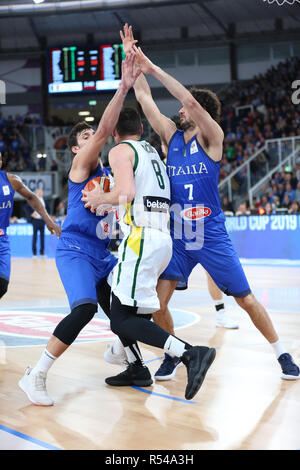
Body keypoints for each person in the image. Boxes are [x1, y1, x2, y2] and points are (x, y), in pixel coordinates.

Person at [115, 24, 299, 382]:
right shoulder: (172, 138)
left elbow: (192, 103)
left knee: (246, 300)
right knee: (159, 303)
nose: (179, 113)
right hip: (179, 237)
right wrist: (131, 59)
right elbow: (145, 99)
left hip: (211, 232)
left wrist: (153, 68)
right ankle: (172, 353)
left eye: (184, 111)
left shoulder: (212, 137)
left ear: (199, 115)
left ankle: (282, 353)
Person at [18, 52, 146, 406]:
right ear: (77, 148)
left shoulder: (109, 175)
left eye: (93, 134)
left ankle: (133, 361)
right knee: (85, 309)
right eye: (86, 136)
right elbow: (106, 130)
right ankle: (36, 374)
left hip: (103, 252)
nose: (95, 138)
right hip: (75, 248)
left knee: (125, 305)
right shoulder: (80, 166)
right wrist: (123, 87)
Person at [82, 106, 216, 401]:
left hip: (141, 239)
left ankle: (191, 353)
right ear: (142, 129)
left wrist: (99, 197)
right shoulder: (152, 152)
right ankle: (136, 366)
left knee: (121, 319)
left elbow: (127, 193)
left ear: (114, 133)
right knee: (107, 290)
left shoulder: (119, 151)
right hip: (160, 239)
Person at [0, 151, 61, 301]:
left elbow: (32, 197)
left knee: (2, 284)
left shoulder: (11, 180)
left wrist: (48, 220)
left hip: (2, 239)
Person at [30, 188, 48, 257]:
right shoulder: (33, 200)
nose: (40, 193)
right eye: (39, 192)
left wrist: (48, 215)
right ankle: (34, 253)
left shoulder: (45, 200)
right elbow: (26, 207)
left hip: (42, 220)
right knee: (35, 236)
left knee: (42, 237)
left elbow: (49, 208)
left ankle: (42, 252)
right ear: (36, 193)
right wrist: (31, 213)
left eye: (41, 192)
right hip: (35, 220)